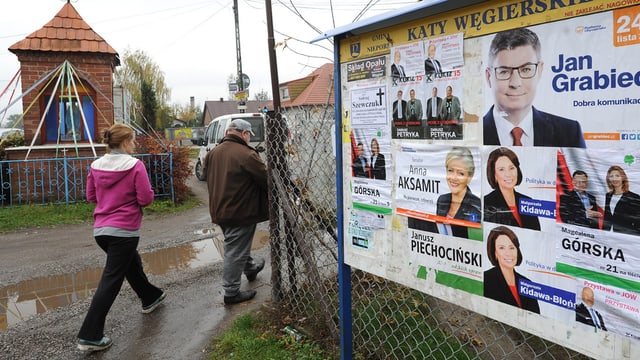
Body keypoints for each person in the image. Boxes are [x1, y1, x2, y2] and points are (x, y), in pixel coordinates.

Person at [77, 123, 166, 352]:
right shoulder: (135, 165)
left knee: (130, 264)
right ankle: (90, 335)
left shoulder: (96, 165)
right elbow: (145, 199)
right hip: (124, 231)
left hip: (101, 231)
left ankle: (150, 297)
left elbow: (90, 196)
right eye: (133, 141)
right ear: (126, 142)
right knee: (111, 279)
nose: (134, 145)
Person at [483, 27, 586, 148]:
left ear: (540, 71)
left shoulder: (569, 132)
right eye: (504, 72)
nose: (515, 83)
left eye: (526, 69)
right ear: (489, 77)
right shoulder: (472, 132)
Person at [205, 119, 268, 305]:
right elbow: (266, 179)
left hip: (220, 209)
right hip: (240, 211)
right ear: (244, 134)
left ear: (227, 133)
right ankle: (231, 292)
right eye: (249, 135)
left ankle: (250, 269)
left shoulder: (213, 153)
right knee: (234, 249)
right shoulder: (247, 155)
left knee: (237, 243)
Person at [484, 226, 540, 314]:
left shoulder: (527, 283)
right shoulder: (486, 280)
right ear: (495, 253)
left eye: (512, 247)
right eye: (501, 248)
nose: (508, 253)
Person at [484, 147, 540, 230]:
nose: (508, 174)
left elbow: (537, 234)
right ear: (494, 175)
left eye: (511, 168)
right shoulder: (486, 203)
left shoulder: (528, 201)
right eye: (501, 170)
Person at [436, 147, 481, 238]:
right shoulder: (442, 200)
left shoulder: (477, 206)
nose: (454, 177)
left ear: (470, 176)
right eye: (450, 171)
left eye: (460, 173)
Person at [603, 165, 640, 235]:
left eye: (617, 176)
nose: (614, 179)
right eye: (611, 176)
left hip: (625, 237)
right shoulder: (608, 196)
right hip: (608, 236)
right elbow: (607, 217)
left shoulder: (634, 197)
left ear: (623, 177)